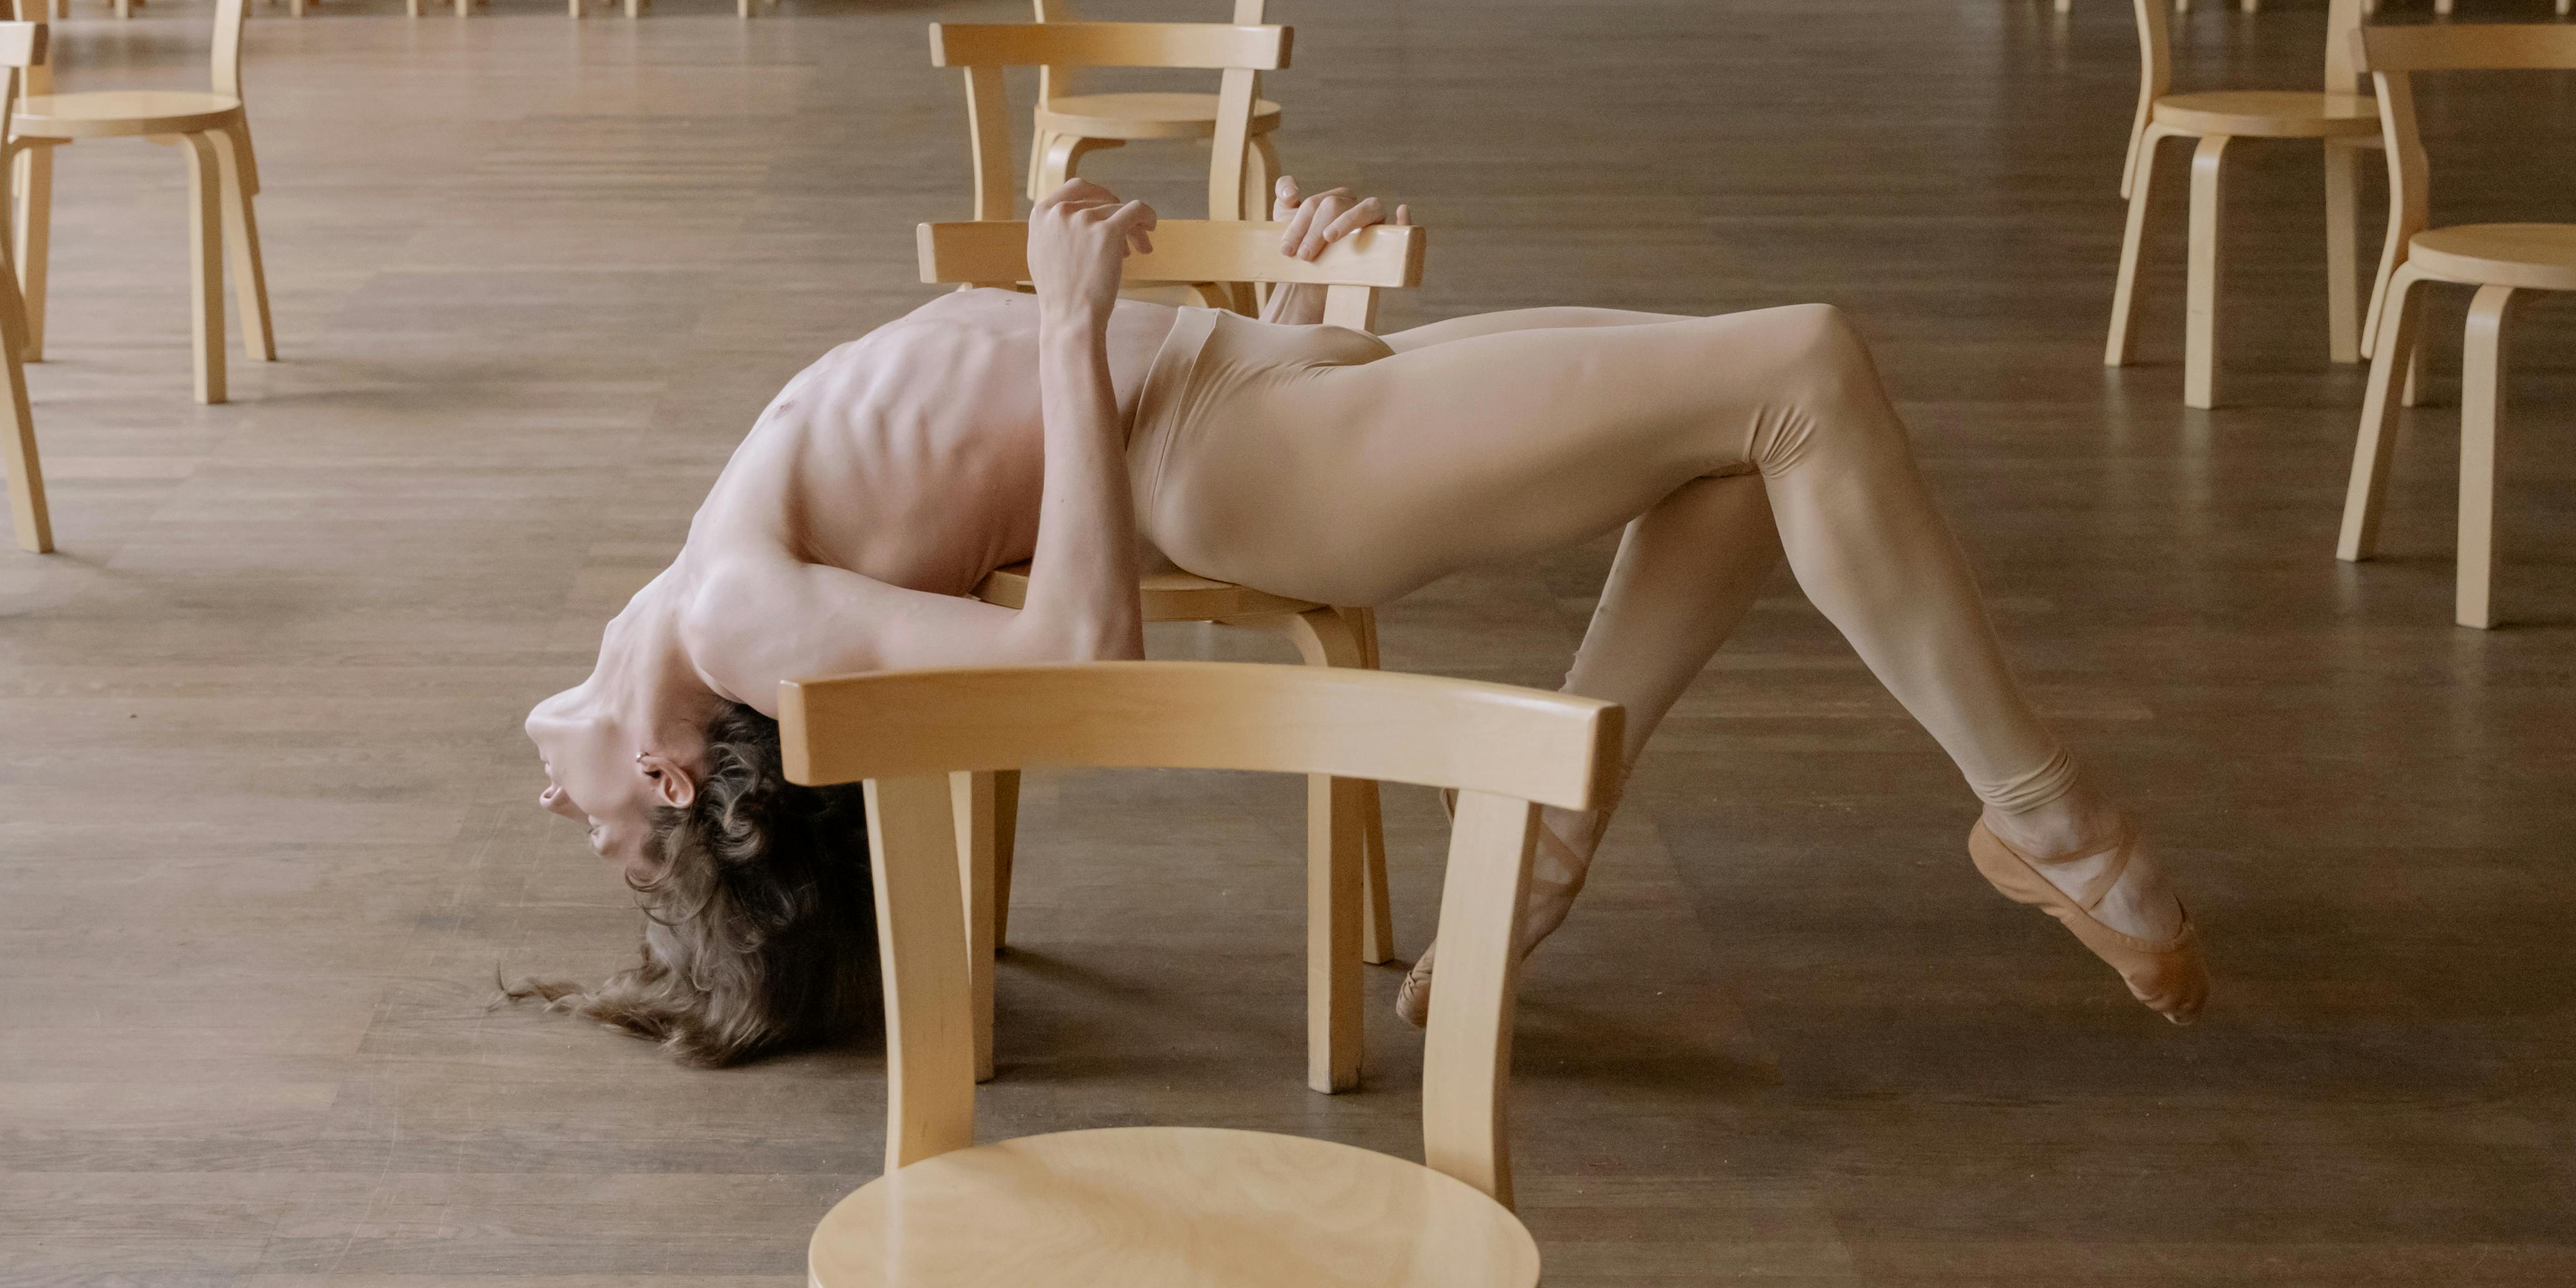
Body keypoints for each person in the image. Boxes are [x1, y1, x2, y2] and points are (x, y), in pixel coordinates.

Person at [525, 177, 2204, 1064]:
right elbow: (1077, 659)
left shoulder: (718, 578)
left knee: (1741, 454)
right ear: (675, 782)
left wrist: (1276, 309)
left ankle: (1531, 863)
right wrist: (1071, 316)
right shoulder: (741, 623)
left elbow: (1020, 459)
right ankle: (2048, 820)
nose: (566, 815)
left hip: (1257, 392)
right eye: (608, 844)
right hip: (1243, 458)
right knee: (1802, 371)